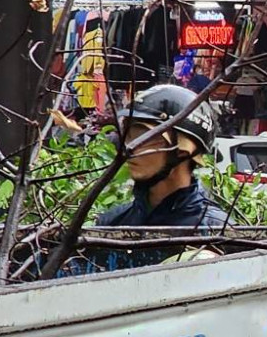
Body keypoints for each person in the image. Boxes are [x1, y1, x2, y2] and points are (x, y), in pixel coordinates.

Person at [98, 84, 230, 230]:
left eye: (143, 138)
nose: (129, 149)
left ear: (182, 151)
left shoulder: (214, 231)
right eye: (128, 136)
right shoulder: (112, 222)